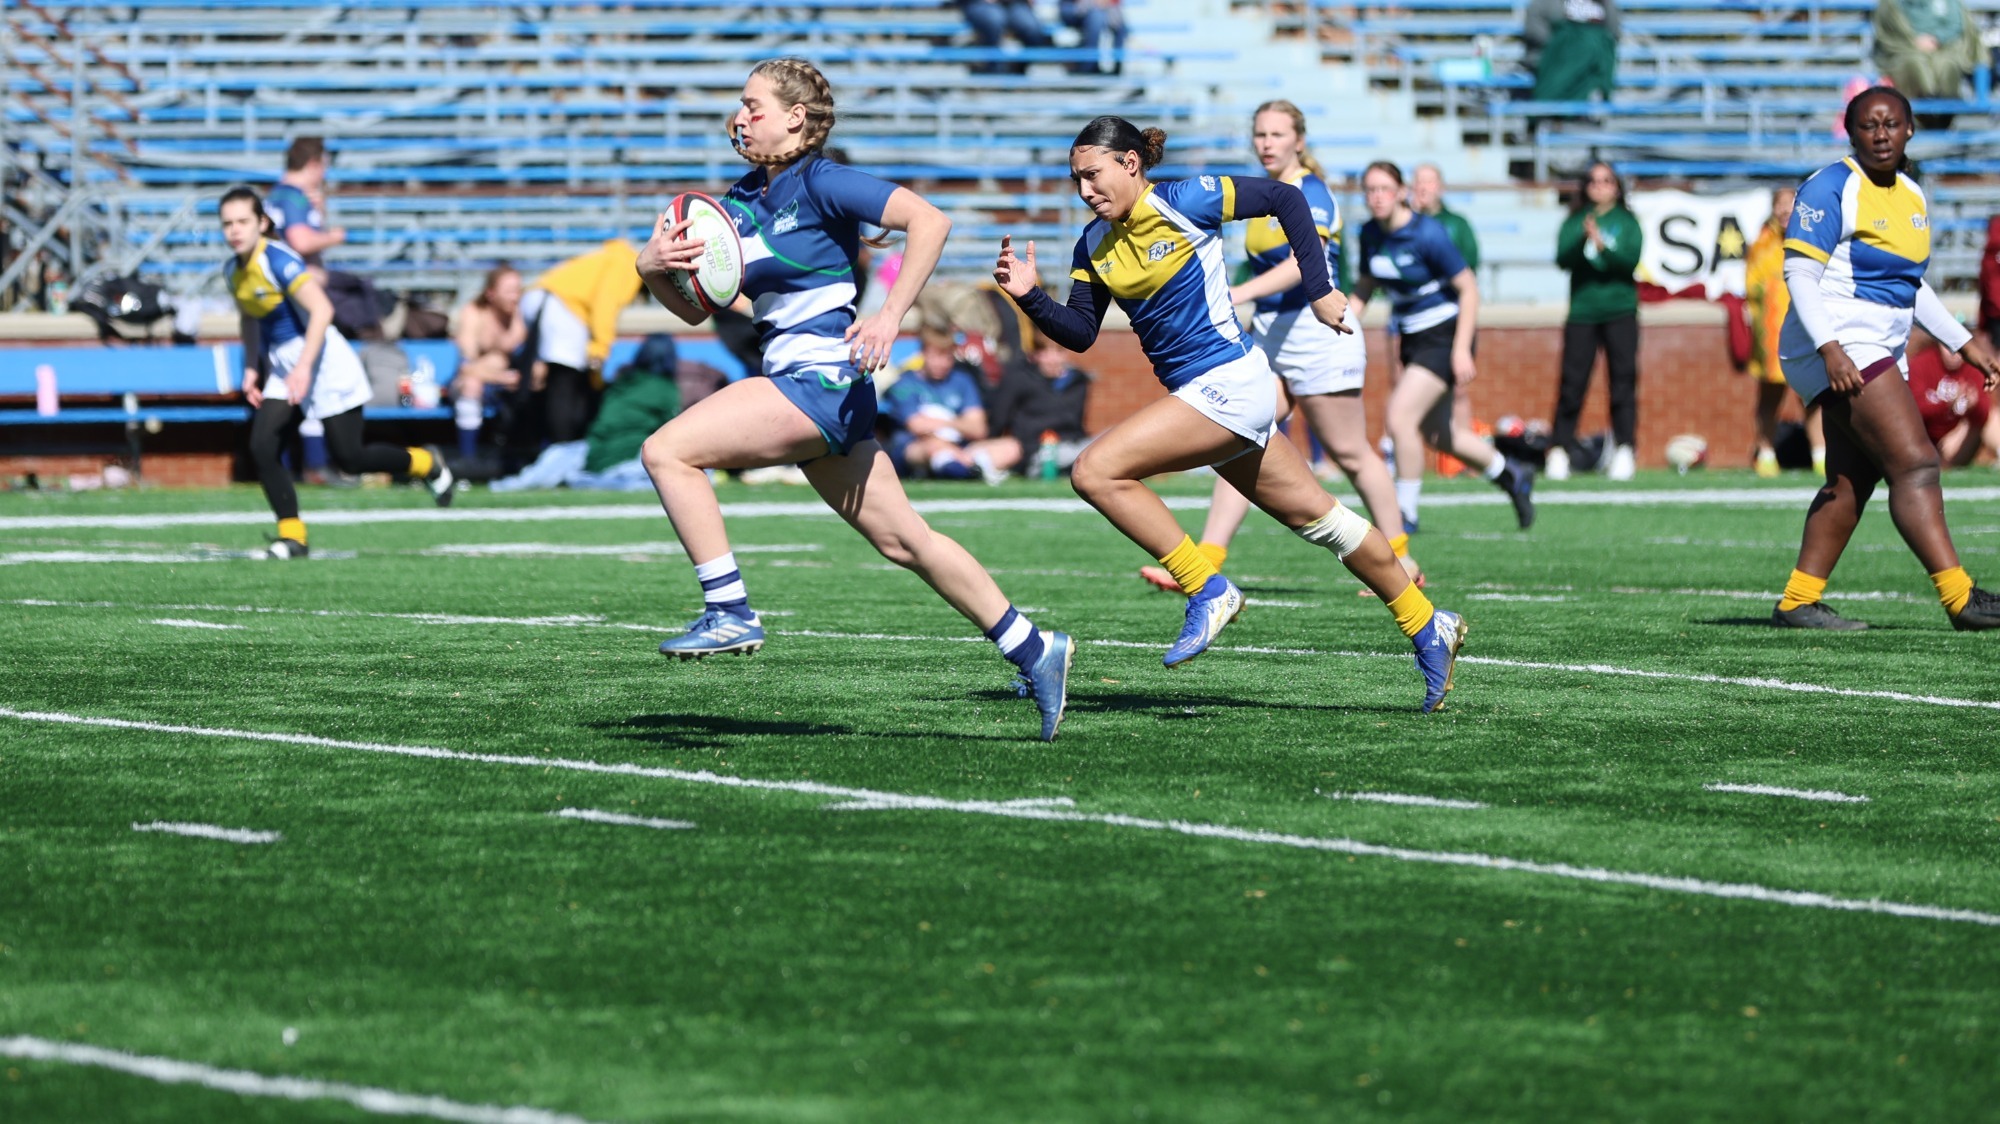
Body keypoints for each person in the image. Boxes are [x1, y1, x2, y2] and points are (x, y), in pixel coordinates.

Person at [633, 57, 1074, 740]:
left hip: (819, 382)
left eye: (755, 104)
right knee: (908, 542)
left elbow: (929, 219)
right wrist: (653, 269)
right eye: (741, 105)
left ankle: (730, 610)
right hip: (811, 385)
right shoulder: (743, 198)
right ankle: (1034, 648)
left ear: (795, 118)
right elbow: (701, 309)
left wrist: (892, 314)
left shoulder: (823, 178)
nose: (742, 115)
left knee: (667, 452)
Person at [994, 116, 1468, 713]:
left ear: (1131, 164)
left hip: (1230, 383)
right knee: (1329, 524)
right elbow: (1081, 332)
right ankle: (1430, 625)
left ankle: (1206, 586)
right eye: (1076, 179)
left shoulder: (1187, 199)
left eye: (1093, 174)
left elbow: (1287, 198)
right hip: (1210, 399)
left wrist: (1320, 289)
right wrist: (1030, 296)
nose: (1085, 189)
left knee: (1094, 470)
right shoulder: (1092, 243)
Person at [1135, 100, 1420, 595]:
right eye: (1260, 134)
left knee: (1351, 454)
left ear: (1299, 141)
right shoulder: (1270, 192)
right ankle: (1206, 561)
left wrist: (1238, 294)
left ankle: (1402, 561)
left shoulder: (1311, 190)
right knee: (1238, 438)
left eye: (1277, 135)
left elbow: (1298, 266)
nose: (1266, 143)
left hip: (1316, 332)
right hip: (1273, 334)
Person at [1770, 86, 2000, 631]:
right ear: (1850, 132)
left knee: (1852, 479)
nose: (1881, 134)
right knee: (1915, 462)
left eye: (1891, 124)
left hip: (1875, 343)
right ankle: (1960, 597)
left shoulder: (1912, 195)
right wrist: (1830, 348)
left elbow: (1910, 285)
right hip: (1835, 341)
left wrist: (1962, 342)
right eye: (1869, 125)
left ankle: (1798, 602)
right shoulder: (1830, 186)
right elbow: (1799, 272)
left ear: (1909, 130)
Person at [221, 186, 453, 559]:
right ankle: (293, 538)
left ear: (262, 223)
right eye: (227, 223)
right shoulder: (233, 269)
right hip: (287, 364)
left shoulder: (278, 260)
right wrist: (252, 367)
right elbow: (250, 317)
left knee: (350, 459)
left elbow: (323, 311)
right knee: (263, 445)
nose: (234, 230)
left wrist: (304, 369)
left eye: (243, 222)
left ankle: (426, 463)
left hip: (324, 360)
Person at [1353, 161, 1537, 534]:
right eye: (1370, 190)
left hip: (1445, 334)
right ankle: (1511, 474)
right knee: (1439, 435)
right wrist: (1340, 323)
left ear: (1402, 192)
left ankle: (1405, 513)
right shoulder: (1370, 233)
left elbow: (1469, 288)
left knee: (1400, 417)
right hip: (1412, 336)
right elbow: (1366, 286)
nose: (1377, 197)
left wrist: (1461, 350)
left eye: (1385, 189)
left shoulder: (1428, 233)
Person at [490, 335, 718, 492]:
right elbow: (672, 435)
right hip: (623, 455)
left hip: (593, 453)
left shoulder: (622, 382)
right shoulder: (665, 389)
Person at [1548, 161, 1644, 481]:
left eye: (1606, 181)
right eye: (1593, 181)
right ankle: (1559, 449)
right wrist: (1583, 240)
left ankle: (1625, 448)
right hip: (1582, 313)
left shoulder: (1627, 222)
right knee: (1572, 384)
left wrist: (1602, 246)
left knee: (1622, 383)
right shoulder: (1575, 221)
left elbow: (1629, 261)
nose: (1599, 186)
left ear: (1616, 187)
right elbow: (1563, 258)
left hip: (1619, 311)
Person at [518, 238, 642, 446]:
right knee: (565, 382)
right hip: (561, 306)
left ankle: (548, 444)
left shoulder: (611, 256)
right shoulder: (627, 265)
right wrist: (600, 348)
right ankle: (563, 450)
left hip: (542, 300)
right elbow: (605, 305)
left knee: (557, 380)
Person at [1409, 163, 1481, 482]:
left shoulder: (1456, 225)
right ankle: (1431, 460)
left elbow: (1469, 270)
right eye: (1418, 182)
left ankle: (1460, 459)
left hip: (1449, 320)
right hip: (1413, 321)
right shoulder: (1405, 225)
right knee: (1409, 395)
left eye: (1430, 182)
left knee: (1459, 389)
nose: (1423, 188)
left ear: (1441, 187)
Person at [1747, 186, 1826, 477]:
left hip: (1806, 329)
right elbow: (1753, 286)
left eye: (1790, 205)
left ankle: (1820, 452)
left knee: (1812, 395)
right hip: (1772, 333)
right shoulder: (1763, 244)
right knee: (1770, 396)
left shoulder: (1812, 239)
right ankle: (1765, 452)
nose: (1784, 211)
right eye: (1780, 205)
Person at [967, 329, 1093, 478]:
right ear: (1034, 355)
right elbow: (998, 421)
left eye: (1059, 352)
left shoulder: (1077, 381)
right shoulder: (1019, 379)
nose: (1052, 359)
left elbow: (1077, 423)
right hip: (1036, 452)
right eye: (1045, 352)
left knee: (1110, 439)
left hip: (1075, 445)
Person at [880, 325, 992, 480]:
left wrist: (942, 423)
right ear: (923, 353)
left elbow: (979, 428)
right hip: (915, 448)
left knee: (1011, 448)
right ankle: (963, 469)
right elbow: (917, 426)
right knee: (932, 448)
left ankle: (960, 464)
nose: (943, 363)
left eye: (948, 356)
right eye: (937, 356)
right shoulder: (905, 383)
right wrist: (961, 424)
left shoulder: (962, 380)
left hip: (960, 447)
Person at [450, 263, 526, 459]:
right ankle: (468, 460)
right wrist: (501, 376)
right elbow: (466, 368)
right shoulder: (474, 314)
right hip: (477, 384)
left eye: (518, 290)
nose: (515, 296)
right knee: (472, 384)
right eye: (509, 291)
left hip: (510, 387)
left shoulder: (521, 316)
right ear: (491, 293)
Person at [1873, 0, 1981, 118]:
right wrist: (1915, 41)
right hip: (1904, 49)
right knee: (1915, 63)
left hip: (1942, 47)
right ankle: (1917, 111)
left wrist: (1937, 38)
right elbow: (1890, 29)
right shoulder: (1891, 4)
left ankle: (1943, 113)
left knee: (1947, 64)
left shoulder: (1949, 2)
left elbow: (1956, 24)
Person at [1908, 327, 1997, 466]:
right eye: (1948, 347)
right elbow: (1915, 409)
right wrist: (1947, 405)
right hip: (1925, 437)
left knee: (1994, 416)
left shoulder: (1973, 367)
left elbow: (1984, 411)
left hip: (1957, 438)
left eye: (1959, 349)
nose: (1953, 353)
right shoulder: (1921, 363)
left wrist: (1973, 407)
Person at [1523, 0, 1620, 102]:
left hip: (1590, 58)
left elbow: (1612, 32)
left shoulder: (1605, 3)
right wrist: (1559, 45)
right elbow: (1533, 27)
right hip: (1554, 56)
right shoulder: (1546, 3)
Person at [957, 0, 1052, 75]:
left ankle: (1018, 69)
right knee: (994, 20)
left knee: (1032, 27)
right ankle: (993, 69)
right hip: (979, 4)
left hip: (1015, 5)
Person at [1059, 0, 1125, 75]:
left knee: (1118, 21)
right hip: (1073, 6)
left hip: (1102, 7)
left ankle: (1116, 68)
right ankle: (1088, 68)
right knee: (1096, 18)